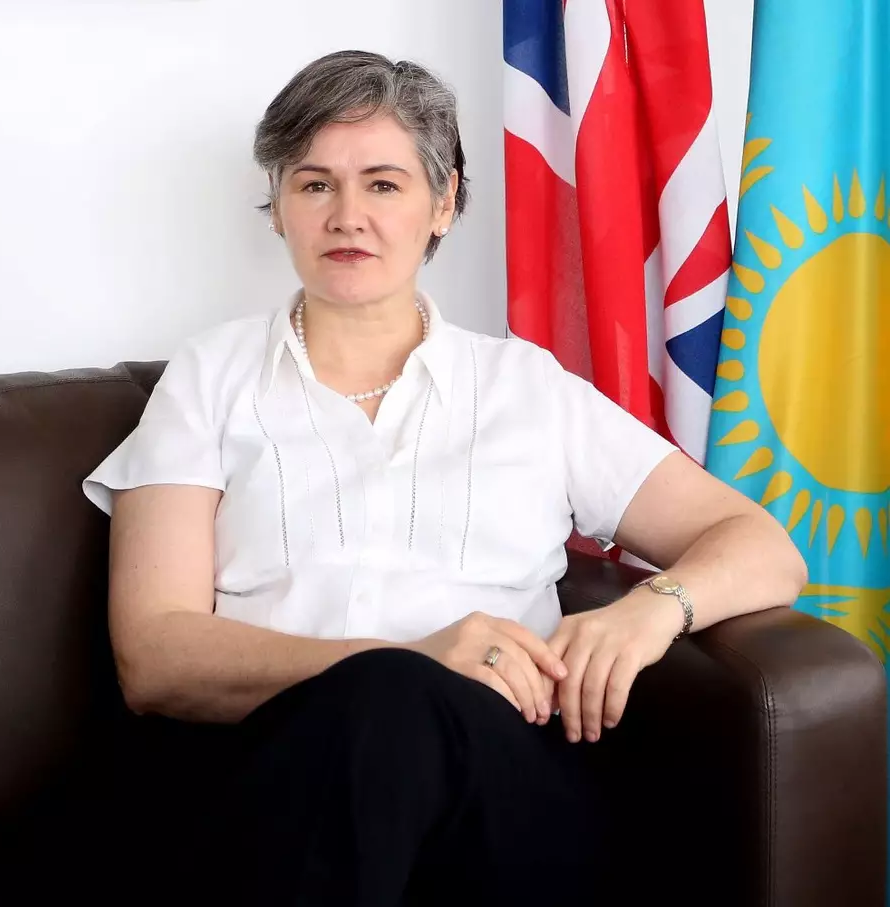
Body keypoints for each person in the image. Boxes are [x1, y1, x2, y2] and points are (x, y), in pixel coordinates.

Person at [82, 49, 807, 906]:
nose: (347, 216)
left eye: (383, 184)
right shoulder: (209, 378)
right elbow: (155, 654)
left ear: (444, 201)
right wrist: (408, 658)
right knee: (386, 700)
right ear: (277, 207)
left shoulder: (525, 388)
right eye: (314, 184)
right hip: (271, 765)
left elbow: (762, 546)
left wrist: (652, 610)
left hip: (499, 782)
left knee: (408, 715)